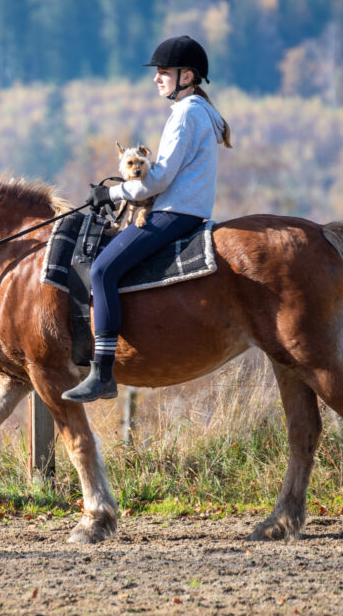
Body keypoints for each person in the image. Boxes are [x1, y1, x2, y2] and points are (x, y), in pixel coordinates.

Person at [62, 35, 232, 403]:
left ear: (187, 77)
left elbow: (159, 178)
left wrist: (111, 193)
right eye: (157, 72)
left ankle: (102, 372)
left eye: (163, 72)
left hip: (175, 212)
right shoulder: (198, 112)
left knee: (102, 270)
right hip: (188, 208)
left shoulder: (186, 114)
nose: (157, 78)